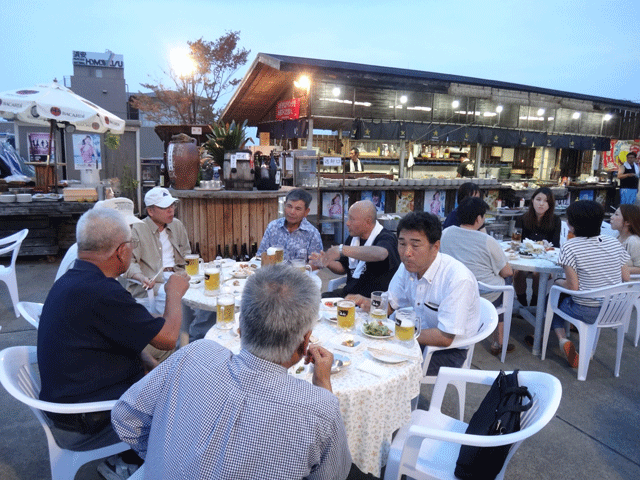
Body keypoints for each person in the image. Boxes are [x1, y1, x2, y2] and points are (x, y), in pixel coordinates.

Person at [111, 265, 357, 480]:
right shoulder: (319, 408)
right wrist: (323, 382)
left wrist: (162, 460)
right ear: (305, 343)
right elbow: (334, 475)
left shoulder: (195, 353)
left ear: (240, 328)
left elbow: (125, 417)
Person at [37, 208, 189, 478]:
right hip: (84, 417)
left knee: (165, 374)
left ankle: (128, 459)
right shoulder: (101, 291)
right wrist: (174, 292)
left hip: (70, 397)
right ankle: (128, 466)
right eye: (131, 244)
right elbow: (168, 338)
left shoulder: (76, 280)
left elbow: (118, 327)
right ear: (121, 251)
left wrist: (145, 359)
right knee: (187, 393)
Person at [351, 212, 480, 375]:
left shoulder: (457, 279)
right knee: (361, 351)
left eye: (415, 245)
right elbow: (390, 304)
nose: (406, 253)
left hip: (447, 351)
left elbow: (445, 337)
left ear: (436, 247)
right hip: (413, 338)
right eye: (402, 244)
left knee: (385, 370)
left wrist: (392, 333)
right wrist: (367, 302)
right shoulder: (408, 267)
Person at [124, 187, 215, 344]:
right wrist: (141, 277)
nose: (171, 210)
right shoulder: (138, 228)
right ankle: (180, 345)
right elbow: (129, 262)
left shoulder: (177, 225)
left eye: (172, 206)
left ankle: (196, 340)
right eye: (165, 207)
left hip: (179, 275)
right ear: (151, 211)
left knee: (212, 295)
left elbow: (187, 254)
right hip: (155, 282)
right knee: (179, 302)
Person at [548, 200, 630, 369]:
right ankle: (588, 350)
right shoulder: (614, 243)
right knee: (566, 295)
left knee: (555, 297)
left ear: (571, 225)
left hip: (585, 310)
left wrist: (557, 281)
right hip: (614, 310)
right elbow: (626, 278)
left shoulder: (570, 247)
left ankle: (563, 339)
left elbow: (573, 287)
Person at [440, 197, 514, 355]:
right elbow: (507, 271)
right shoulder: (488, 240)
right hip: (485, 294)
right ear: (479, 218)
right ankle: (498, 341)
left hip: (455, 289)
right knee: (507, 282)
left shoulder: (445, 233)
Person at [315, 200, 400, 298]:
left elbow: (381, 253)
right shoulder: (354, 237)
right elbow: (344, 268)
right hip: (349, 294)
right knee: (315, 301)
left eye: (352, 219)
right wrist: (326, 261)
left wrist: (342, 250)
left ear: (367, 221)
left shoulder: (386, 237)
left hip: (373, 301)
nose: (347, 223)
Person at [513, 187, 562, 307]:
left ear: (550, 204)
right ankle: (522, 302)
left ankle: (535, 303)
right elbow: (515, 243)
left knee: (537, 274)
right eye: (538, 199)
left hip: (544, 259)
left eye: (546, 201)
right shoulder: (521, 218)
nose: (541, 204)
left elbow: (555, 246)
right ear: (532, 200)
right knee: (518, 272)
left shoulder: (555, 220)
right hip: (525, 257)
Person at [257, 188, 323, 262]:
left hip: (300, 273)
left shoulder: (312, 233)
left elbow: (316, 264)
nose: (292, 212)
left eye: (298, 209)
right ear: (284, 205)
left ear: (306, 212)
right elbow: (260, 256)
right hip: (274, 272)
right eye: (289, 206)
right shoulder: (273, 227)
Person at [610, 204, 640, 274]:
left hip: (630, 283)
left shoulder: (634, 241)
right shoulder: (616, 236)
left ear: (628, 222)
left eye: (616, 214)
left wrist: (616, 269)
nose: (612, 217)